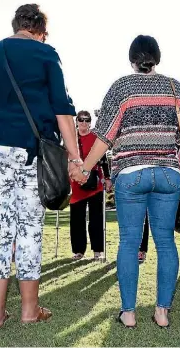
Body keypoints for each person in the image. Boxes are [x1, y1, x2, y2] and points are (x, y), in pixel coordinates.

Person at [0, 4, 79, 327]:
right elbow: (63, 112)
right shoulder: (46, 55)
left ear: (16, 26)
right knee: (28, 230)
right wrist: (75, 157)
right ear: (41, 31)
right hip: (27, 151)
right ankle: (28, 310)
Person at [70, 35, 180, 328]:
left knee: (129, 242)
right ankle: (162, 312)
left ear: (132, 59)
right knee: (166, 243)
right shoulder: (175, 87)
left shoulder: (122, 87)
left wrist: (86, 168)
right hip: (168, 174)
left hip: (130, 173)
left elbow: (105, 136)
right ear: (157, 57)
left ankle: (128, 313)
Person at [70, 111, 112, 261]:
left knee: (96, 218)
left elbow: (104, 158)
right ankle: (78, 251)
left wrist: (107, 177)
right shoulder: (70, 138)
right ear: (77, 122)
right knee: (77, 219)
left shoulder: (95, 138)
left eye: (87, 120)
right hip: (76, 183)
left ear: (90, 122)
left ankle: (98, 251)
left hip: (95, 182)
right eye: (80, 120)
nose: (83, 123)